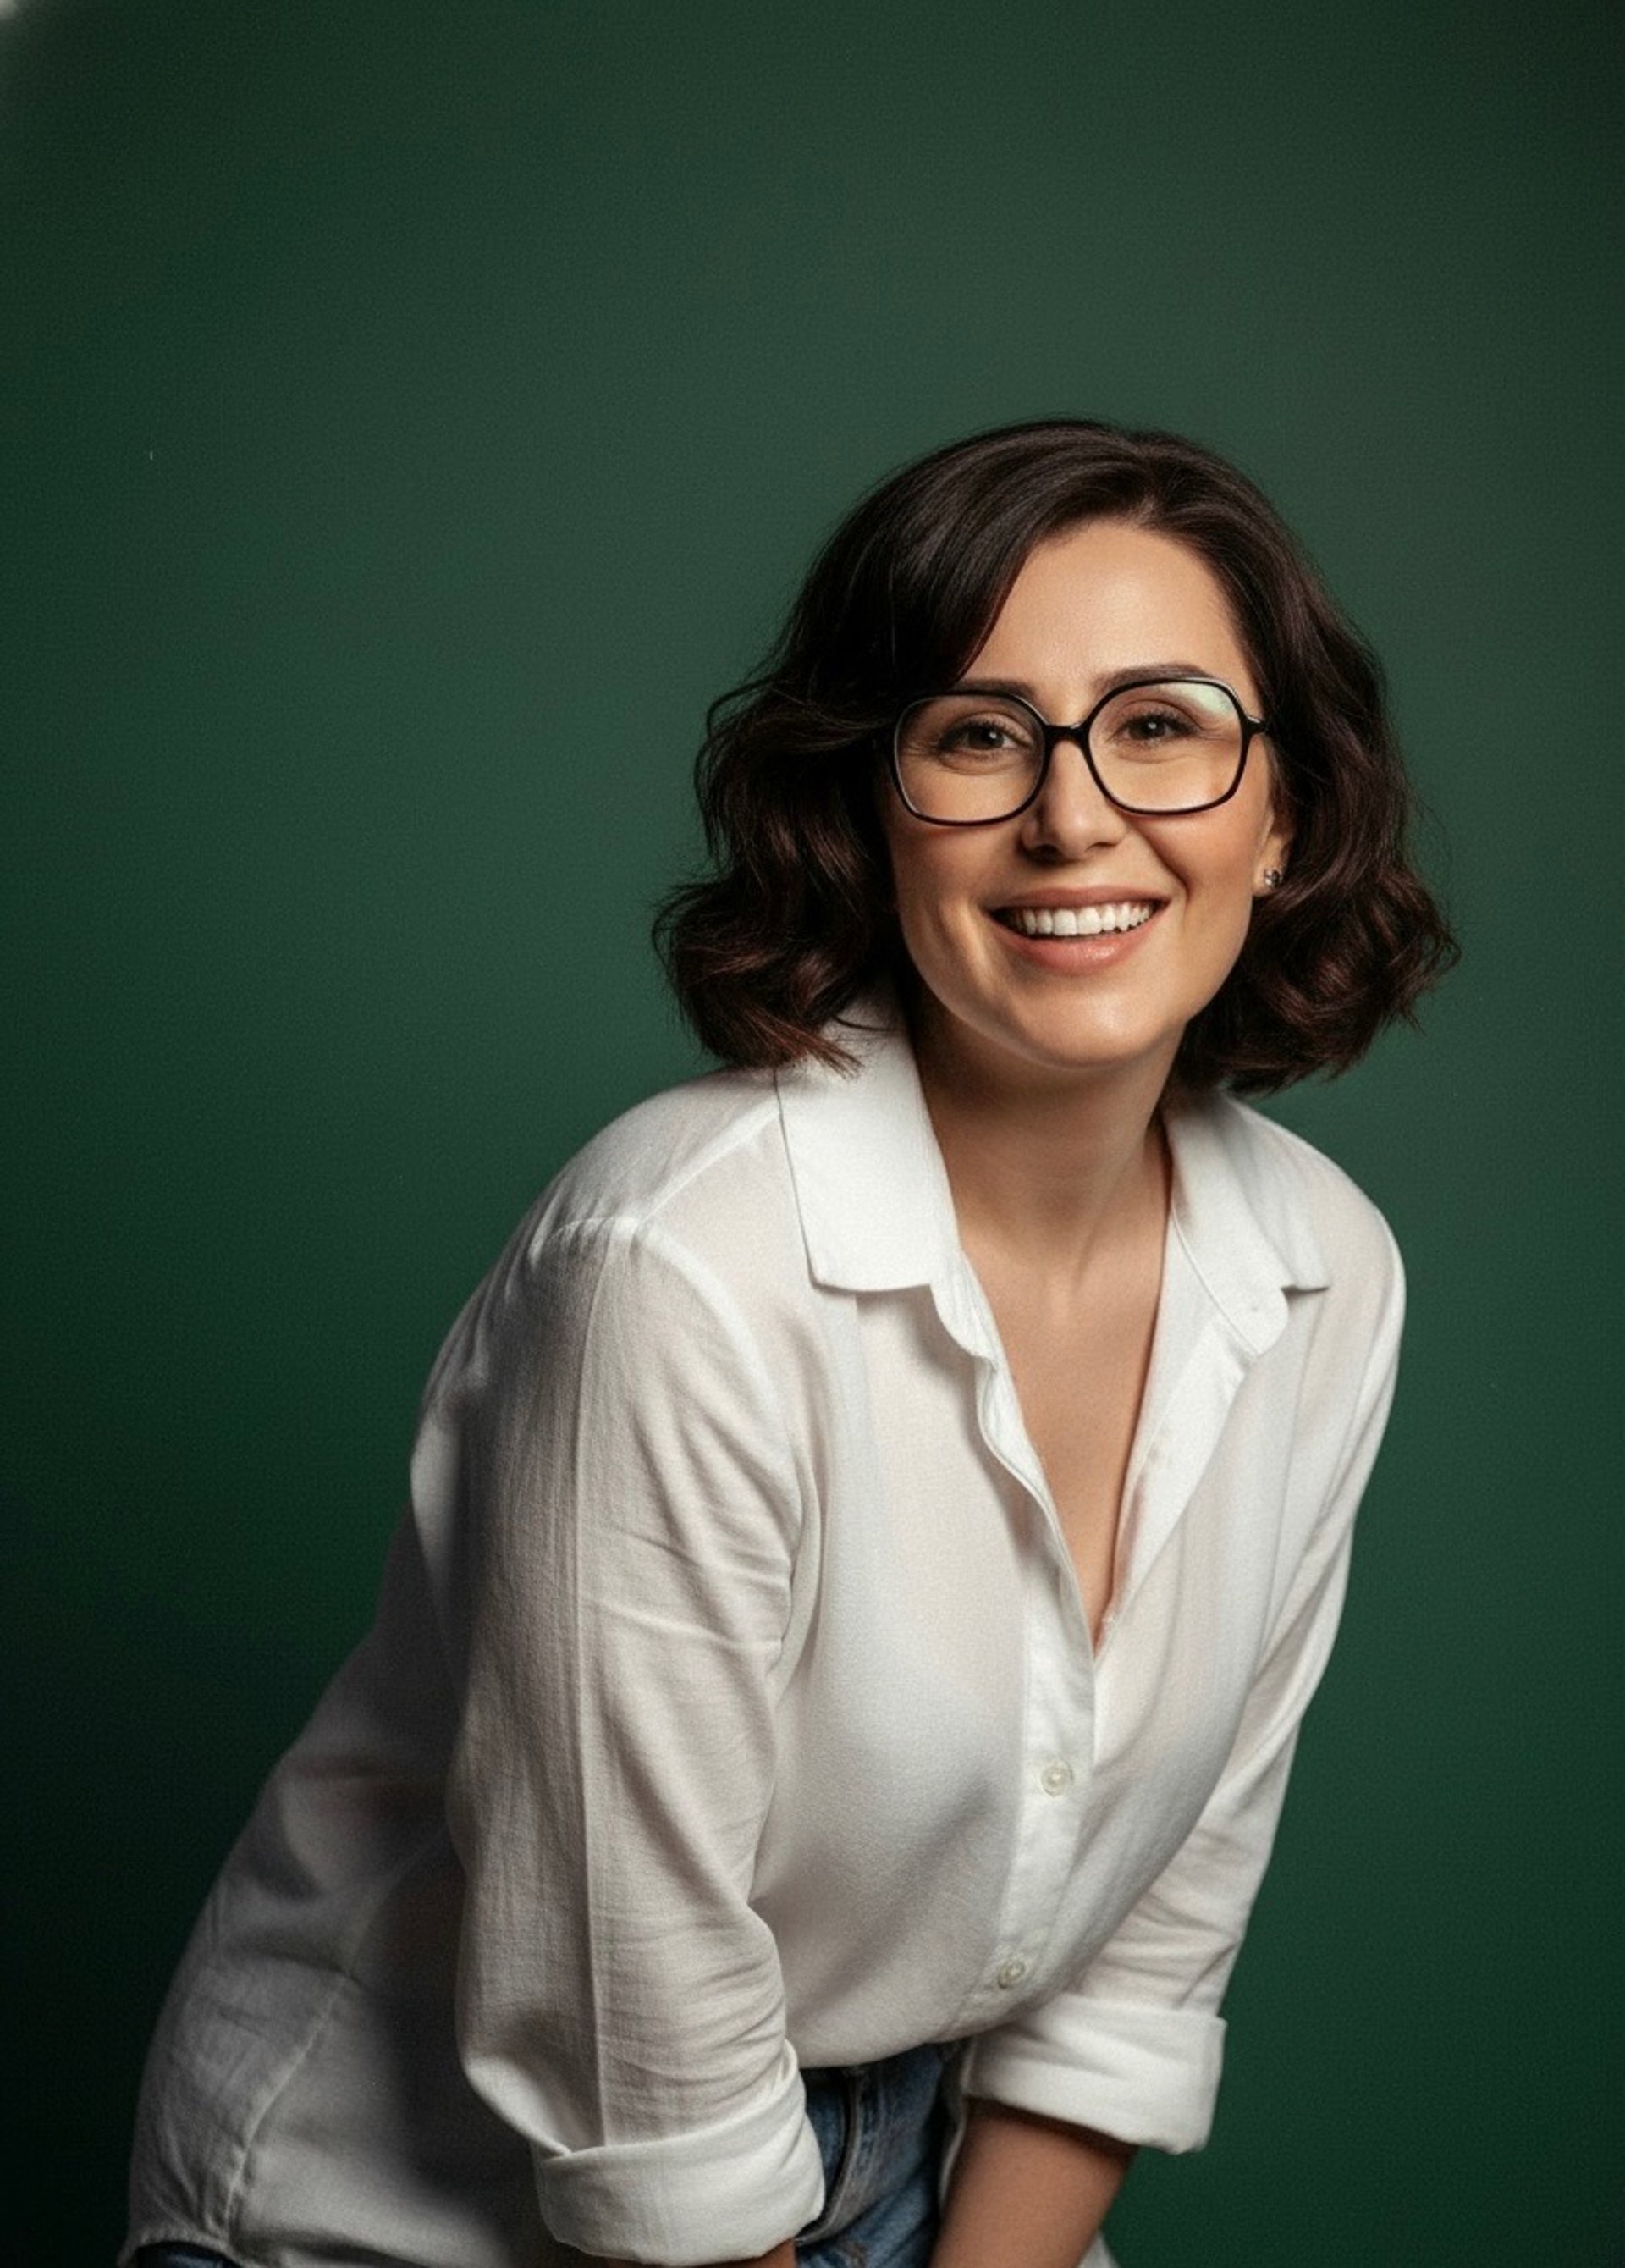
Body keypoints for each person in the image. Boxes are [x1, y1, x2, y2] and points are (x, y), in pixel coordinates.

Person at [124, 417, 1456, 2268]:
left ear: (1284, 805)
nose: (1076, 814)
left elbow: (1149, 1944)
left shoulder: (1325, 1269)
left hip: (905, 2162)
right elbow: (641, 2043)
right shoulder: (682, 1261)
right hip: (425, 2208)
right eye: (980, 736)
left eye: (1162, 724)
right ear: (866, 809)